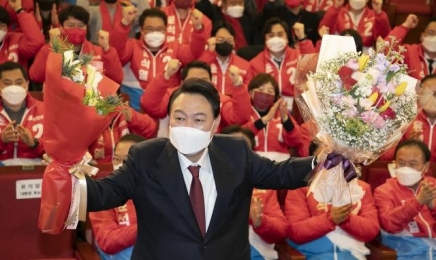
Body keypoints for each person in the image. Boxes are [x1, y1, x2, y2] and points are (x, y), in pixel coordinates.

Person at [43, 78, 317, 259]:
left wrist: (325, 160)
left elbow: (282, 173)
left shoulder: (235, 152)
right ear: (170, 120)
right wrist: (63, 176)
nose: (187, 126)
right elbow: (105, 194)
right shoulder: (145, 156)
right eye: (179, 117)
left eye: (198, 119)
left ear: (215, 122)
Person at [285, 142, 380, 260]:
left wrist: (346, 218)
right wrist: (330, 218)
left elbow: (371, 231)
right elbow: (296, 232)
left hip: (354, 256)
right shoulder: (300, 189)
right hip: (313, 256)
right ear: (313, 161)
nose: (333, 164)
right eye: (327, 159)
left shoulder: (361, 188)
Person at [110, 7, 207, 111]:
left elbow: (193, 54)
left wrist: (198, 27)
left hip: (166, 111)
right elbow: (116, 52)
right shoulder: (132, 46)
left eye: (159, 29)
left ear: (166, 30)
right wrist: (125, 23)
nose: (155, 33)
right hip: (134, 111)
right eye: (150, 29)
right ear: (142, 31)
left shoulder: (175, 48)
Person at [221, 124, 288, 260]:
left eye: (242, 150)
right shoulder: (204, 183)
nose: (236, 155)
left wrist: (260, 221)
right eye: (231, 148)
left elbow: (281, 231)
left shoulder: (264, 188)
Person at [141, 60, 251, 137]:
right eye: (193, 79)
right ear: (182, 82)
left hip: (209, 150)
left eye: (204, 79)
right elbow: (149, 104)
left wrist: (238, 84)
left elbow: (239, 118)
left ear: (211, 83)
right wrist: (167, 75)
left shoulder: (219, 99)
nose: (198, 83)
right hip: (174, 148)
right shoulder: (173, 95)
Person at [29, 5, 124, 85]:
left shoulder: (98, 51)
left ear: (86, 28)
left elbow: (117, 78)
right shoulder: (51, 49)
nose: (76, 29)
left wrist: (107, 49)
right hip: (60, 102)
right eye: (71, 25)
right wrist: (52, 47)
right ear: (61, 27)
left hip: (89, 103)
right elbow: (35, 76)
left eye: (81, 25)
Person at [374, 139, 436, 260]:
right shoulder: (383, 191)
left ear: (426, 166)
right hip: (406, 253)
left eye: (412, 164)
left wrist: (432, 207)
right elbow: (389, 224)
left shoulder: (432, 186)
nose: (406, 168)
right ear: (394, 163)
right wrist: (418, 202)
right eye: (401, 163)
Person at [89, 134, 146, 260]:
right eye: (116, 159)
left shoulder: (159, 190)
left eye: (126, 159)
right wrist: (146, 226)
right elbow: (107, 242)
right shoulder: (103, 193)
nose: (120, 165)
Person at [248, 17, 315, 115]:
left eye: (280, 35)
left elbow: (313, 68)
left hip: (298, 109)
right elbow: (251, 93)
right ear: (265, 39)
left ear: (287, 37)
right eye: (271, 35)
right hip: (268, 111)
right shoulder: (255, 63)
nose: (276, 39)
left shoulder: (298, 56)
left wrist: (302, 38)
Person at [243, 73, 304, 160]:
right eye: (261, 89)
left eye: (270, 91)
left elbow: (296, 141)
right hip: (251, 164)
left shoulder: (281, 113)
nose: (265, 93)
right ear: (250, 92)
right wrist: (265, 119)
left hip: (280, 166)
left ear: (275, 97)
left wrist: (286, 120)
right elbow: (240, 137)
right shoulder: (244, 113)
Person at [380, 74, 436, 162]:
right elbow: (383, 156)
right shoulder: (405, 118)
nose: (432, 98)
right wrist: (407, 145)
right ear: (419, 94)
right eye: (428, 93)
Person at [0, 62, 45, 165]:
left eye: (19, 82)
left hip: (37, 174)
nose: (14, 88)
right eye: (7, 83)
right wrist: (2, 140)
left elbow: (57, 150)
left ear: (27, 84)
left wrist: (34, 143)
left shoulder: (45, 110)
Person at [88, 105, 158, 164]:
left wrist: (132, 117)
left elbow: (151, 128)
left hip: (129, 167)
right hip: (100, 171)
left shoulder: (123, 112)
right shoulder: (90, 119)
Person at [199, 21, 251, 96]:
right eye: (221, 40)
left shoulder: (245, 66)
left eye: (229, 40)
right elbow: (197, 77)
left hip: (233, 106)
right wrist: (209, 53)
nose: (225, 43)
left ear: (234, 43)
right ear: (213, 40)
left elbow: (247, 95)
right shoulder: (205, 60)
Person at [318, 0, 390, 53]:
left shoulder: (375, 15)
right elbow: (324, 30)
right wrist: (336, 7)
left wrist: (378, 12)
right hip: (340, 54)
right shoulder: (338, 12)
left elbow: (384, 38)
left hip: (366, 57)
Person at [195, 0, 262, 50]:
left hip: (246, 55)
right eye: (233, 3)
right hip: (224, 52)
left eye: (240, 3)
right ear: (224, 4)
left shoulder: (249, 16)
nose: (237, 6)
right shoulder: (215, 12)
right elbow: (199, 7)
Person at [75, 0, 149, 44]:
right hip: (98, 57)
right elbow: (78, 16)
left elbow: (147, 16)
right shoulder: (93, 11)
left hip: (126, 59)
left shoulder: (129, 12)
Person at [0, 0, 44, 70]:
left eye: (2, 25)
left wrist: (19, 10)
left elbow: (36, 41)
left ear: (7, 29)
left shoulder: (15, 40)